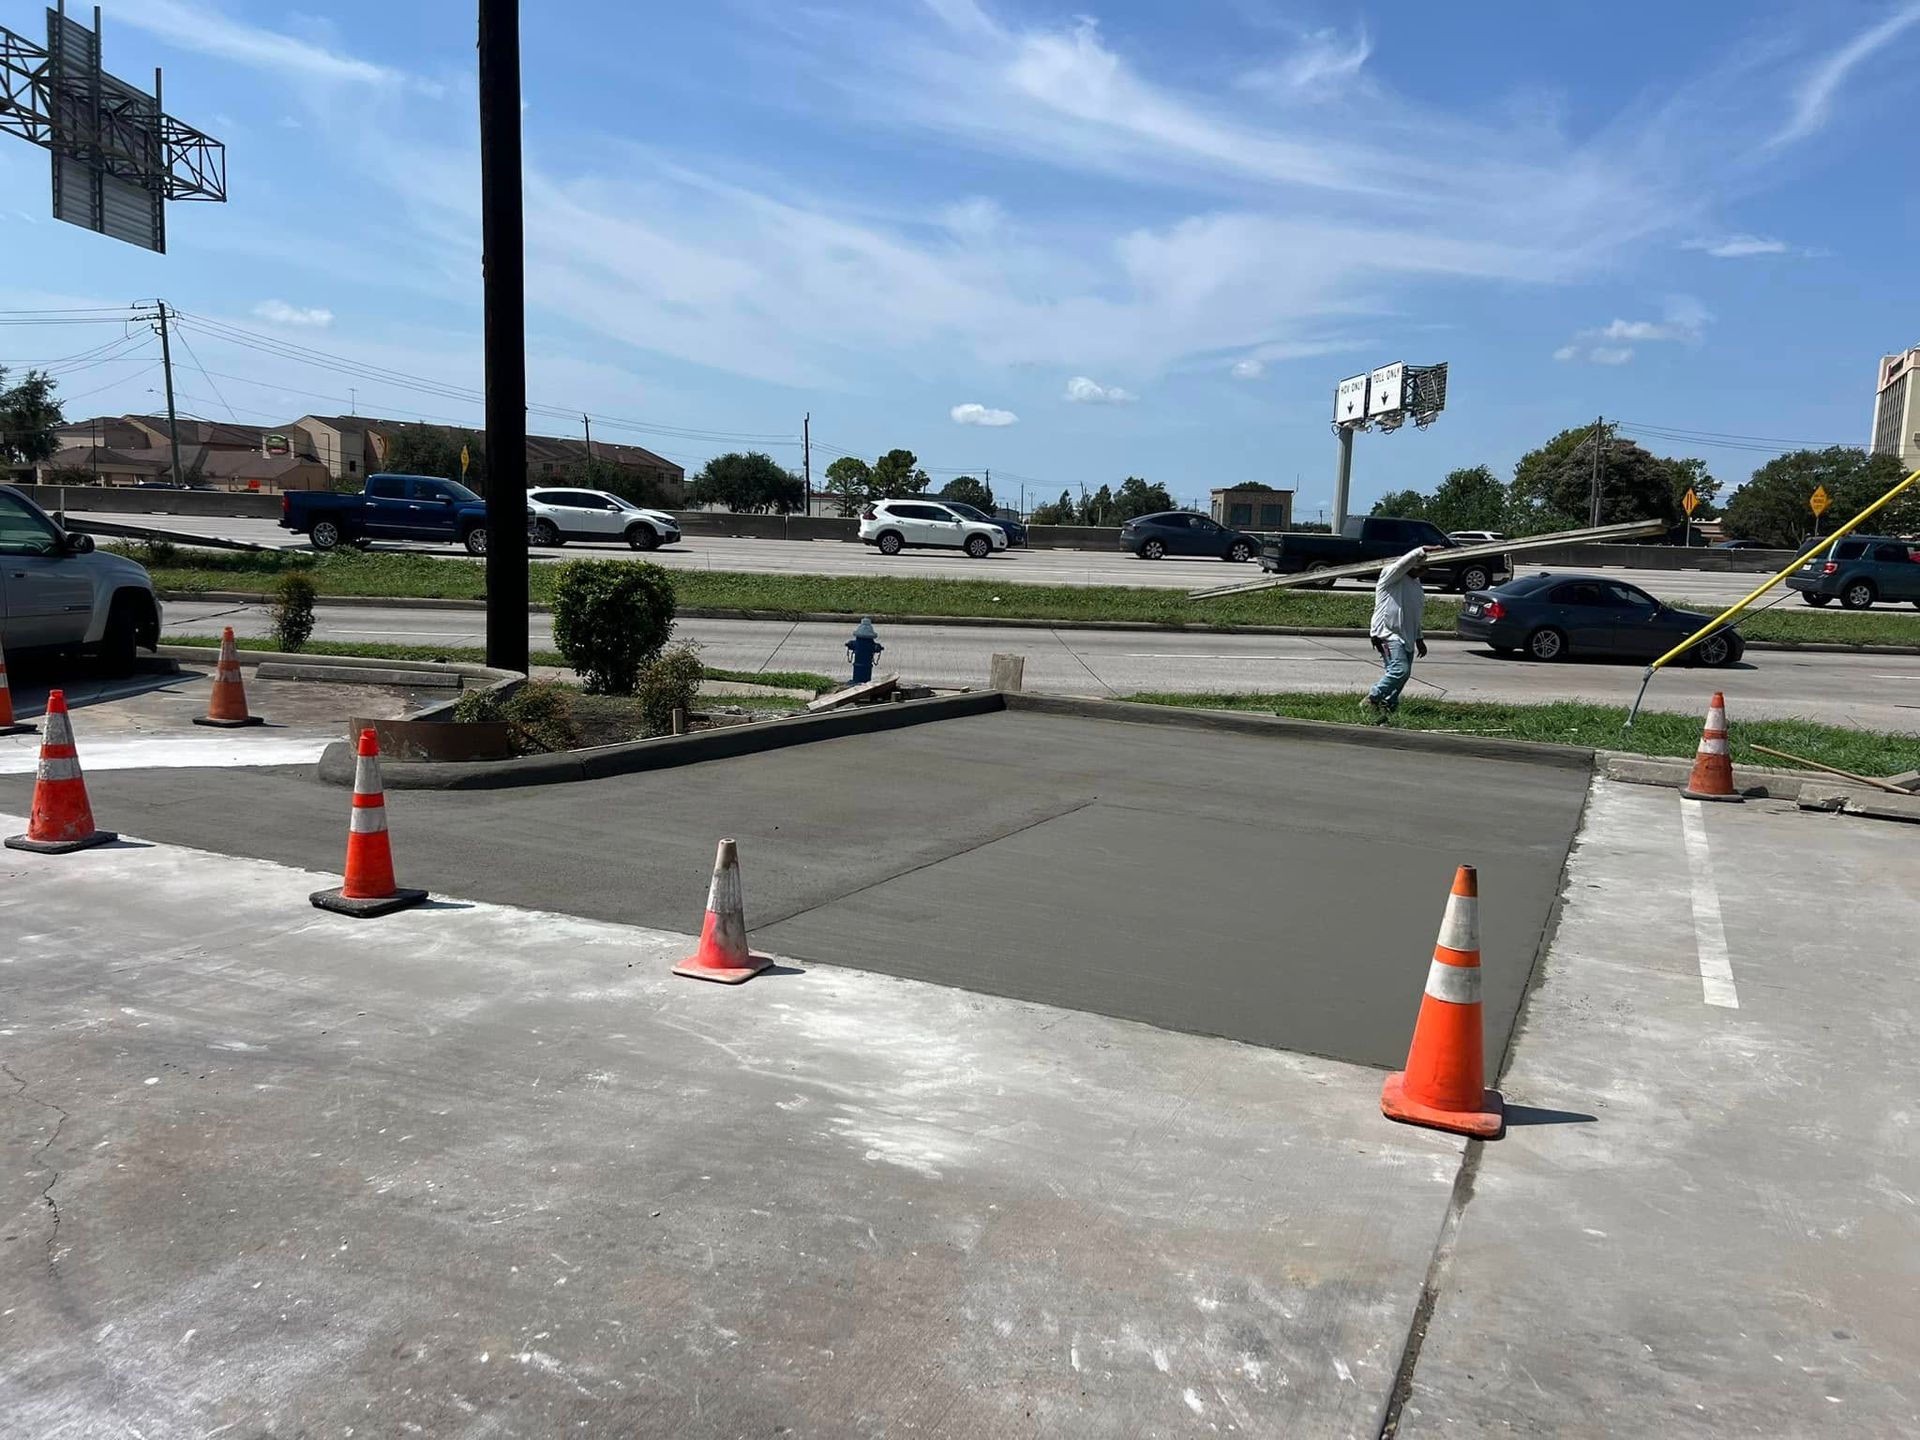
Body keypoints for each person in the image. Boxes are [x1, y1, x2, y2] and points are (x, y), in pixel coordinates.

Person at [1362, 547, 1429, 721]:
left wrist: (1419, 638)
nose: (1423, 571)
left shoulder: (1416, 585)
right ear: (1411, 565)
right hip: (1387, 633)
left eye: (1425, 568)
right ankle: (1371, 699)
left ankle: (1388, 704)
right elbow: (1402, 564)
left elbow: (1414, 613)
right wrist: (1420, 551)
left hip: (1407, 635)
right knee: (1399, 670)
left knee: (1402, 674)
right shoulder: (1391, 575)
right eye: (1420, 566)